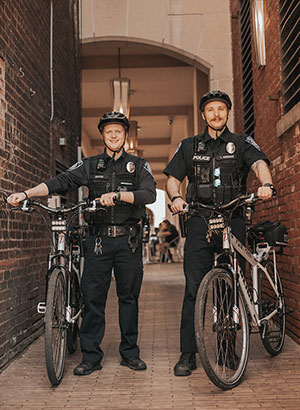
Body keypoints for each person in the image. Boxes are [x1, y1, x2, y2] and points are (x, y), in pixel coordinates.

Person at [7, 111, 156, 376]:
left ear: (125, 135)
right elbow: (60, 181)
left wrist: (119, 195)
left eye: (118, 131)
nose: (113, 135)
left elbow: (149, 194)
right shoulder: (90, 165)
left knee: (128, 298)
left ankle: (130, 353)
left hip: (127, 242)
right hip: (97, 241)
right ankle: (91, 356)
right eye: (109, 131)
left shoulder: (139, 166)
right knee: (93, 299)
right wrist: (27, 193)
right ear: (103, 135)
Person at [163, 90, 275, 376]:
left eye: (221, 109)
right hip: (199, 221)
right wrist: (176, 198)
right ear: (203, 115)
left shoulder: (240, 143)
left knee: (228, 287)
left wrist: (266, 184)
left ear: (228, 113)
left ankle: (227, 350)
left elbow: (259, 163)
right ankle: (188, 354)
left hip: (232, 219)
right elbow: (173, 179)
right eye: (211, 109)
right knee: (194, 289)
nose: (216, 114)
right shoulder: (189, 146)